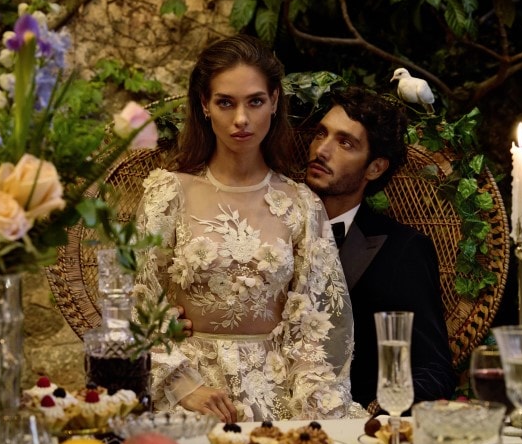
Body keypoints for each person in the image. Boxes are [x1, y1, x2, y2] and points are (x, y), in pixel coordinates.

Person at [133, 35, 363, 422]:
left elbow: (319, 326)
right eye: (226, 102)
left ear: (274, 101)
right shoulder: (167, 194)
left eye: (255, 101)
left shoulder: (302, 205)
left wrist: (311, 416)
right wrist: (181, 385)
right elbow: (132, 301)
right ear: (204, 105)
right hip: (187, 394)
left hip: (279, 396)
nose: (241, 119)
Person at [305, 86, 456, 411]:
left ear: (374, 168)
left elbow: (433, 367)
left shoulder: (404, 250)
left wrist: (382, 411)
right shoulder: (266, 226)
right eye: (321, 134)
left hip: (353, 427)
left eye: (345, 142)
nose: (322, 150)